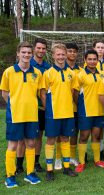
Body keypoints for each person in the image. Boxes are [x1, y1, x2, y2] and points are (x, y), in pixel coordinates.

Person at [1, 42, 42, 188]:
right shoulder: (9, 72)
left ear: (32, 54)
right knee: (13, 145)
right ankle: (10, 176)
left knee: (31, 143)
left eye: (29, 53)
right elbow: (5, 93)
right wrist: (15, 105)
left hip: (32, 115)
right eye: (23, 52)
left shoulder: (37, 73)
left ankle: (30, 173)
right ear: (18, 53)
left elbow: (39, 93)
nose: (26, 55)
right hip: (15, 115)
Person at [40, 43, 78, 181]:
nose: (61, 57)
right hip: (53, 113)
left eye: (63, 54)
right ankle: (49, 170)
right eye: (58, 54)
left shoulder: (71, 73)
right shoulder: (48, 73)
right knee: (51, 139)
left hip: (68, 112)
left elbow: (73, 91)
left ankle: (66, 167)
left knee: (65, 138)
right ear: (53, 55)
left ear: (66, 55)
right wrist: (48, 109)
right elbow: (43, 93)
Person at [16, 38, 51, 175]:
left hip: (41, 108)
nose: (41, 51)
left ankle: (35, 163)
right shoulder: (25, 63)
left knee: (38, 136)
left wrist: (46, 105)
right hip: (26, 109)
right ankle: (19, 165)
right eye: (38, 48)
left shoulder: (48, 67)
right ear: (34, 49)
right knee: (22, 138)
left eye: (43, 48)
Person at [74, 50, 104, 173]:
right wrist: (80, 106)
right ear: (85, 60)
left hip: (99, 110)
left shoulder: (103, 74)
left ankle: (97, 160)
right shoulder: (80, 75)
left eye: (94, 59)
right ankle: (82, 162)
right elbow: (75, 93)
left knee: (96, 136)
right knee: (84, 136)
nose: (92, 61)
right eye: (90, 59)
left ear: (97, 60)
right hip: (86, 110)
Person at [55, 42, 83, 170]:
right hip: (61, 108)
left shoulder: (80, 70)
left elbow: (78, 91)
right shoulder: (58, 69)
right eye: (69, 51)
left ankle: (72, 156)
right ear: (65, 54)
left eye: (74, 51)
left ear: (77, 53)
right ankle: (58, 158)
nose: (72, 53)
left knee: (73, 133)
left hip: (75, 108)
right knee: (60, 135)